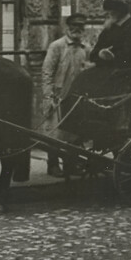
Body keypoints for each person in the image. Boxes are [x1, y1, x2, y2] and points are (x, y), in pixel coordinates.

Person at [69, 0, 131, 98]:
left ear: (120, 12)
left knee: (103, 86)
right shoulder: (109, 29)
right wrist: (100, 55)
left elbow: (129, 57)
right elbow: (94, 53)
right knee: (82, 79)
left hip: (128, 69)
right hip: (106, 68)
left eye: (111, 11)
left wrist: (110, 57)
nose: (108, 13)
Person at [41, 13, 91, 177]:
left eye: (80, 27)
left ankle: (71, 165)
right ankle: (53, 165)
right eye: (74, 26)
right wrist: (48, 96)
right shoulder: (57, 46)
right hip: (58, 96)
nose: (77, 30)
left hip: (77, 97)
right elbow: (47, 72)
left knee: (75, 133)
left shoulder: (86, 47)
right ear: (67, 28)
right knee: (55, 133)